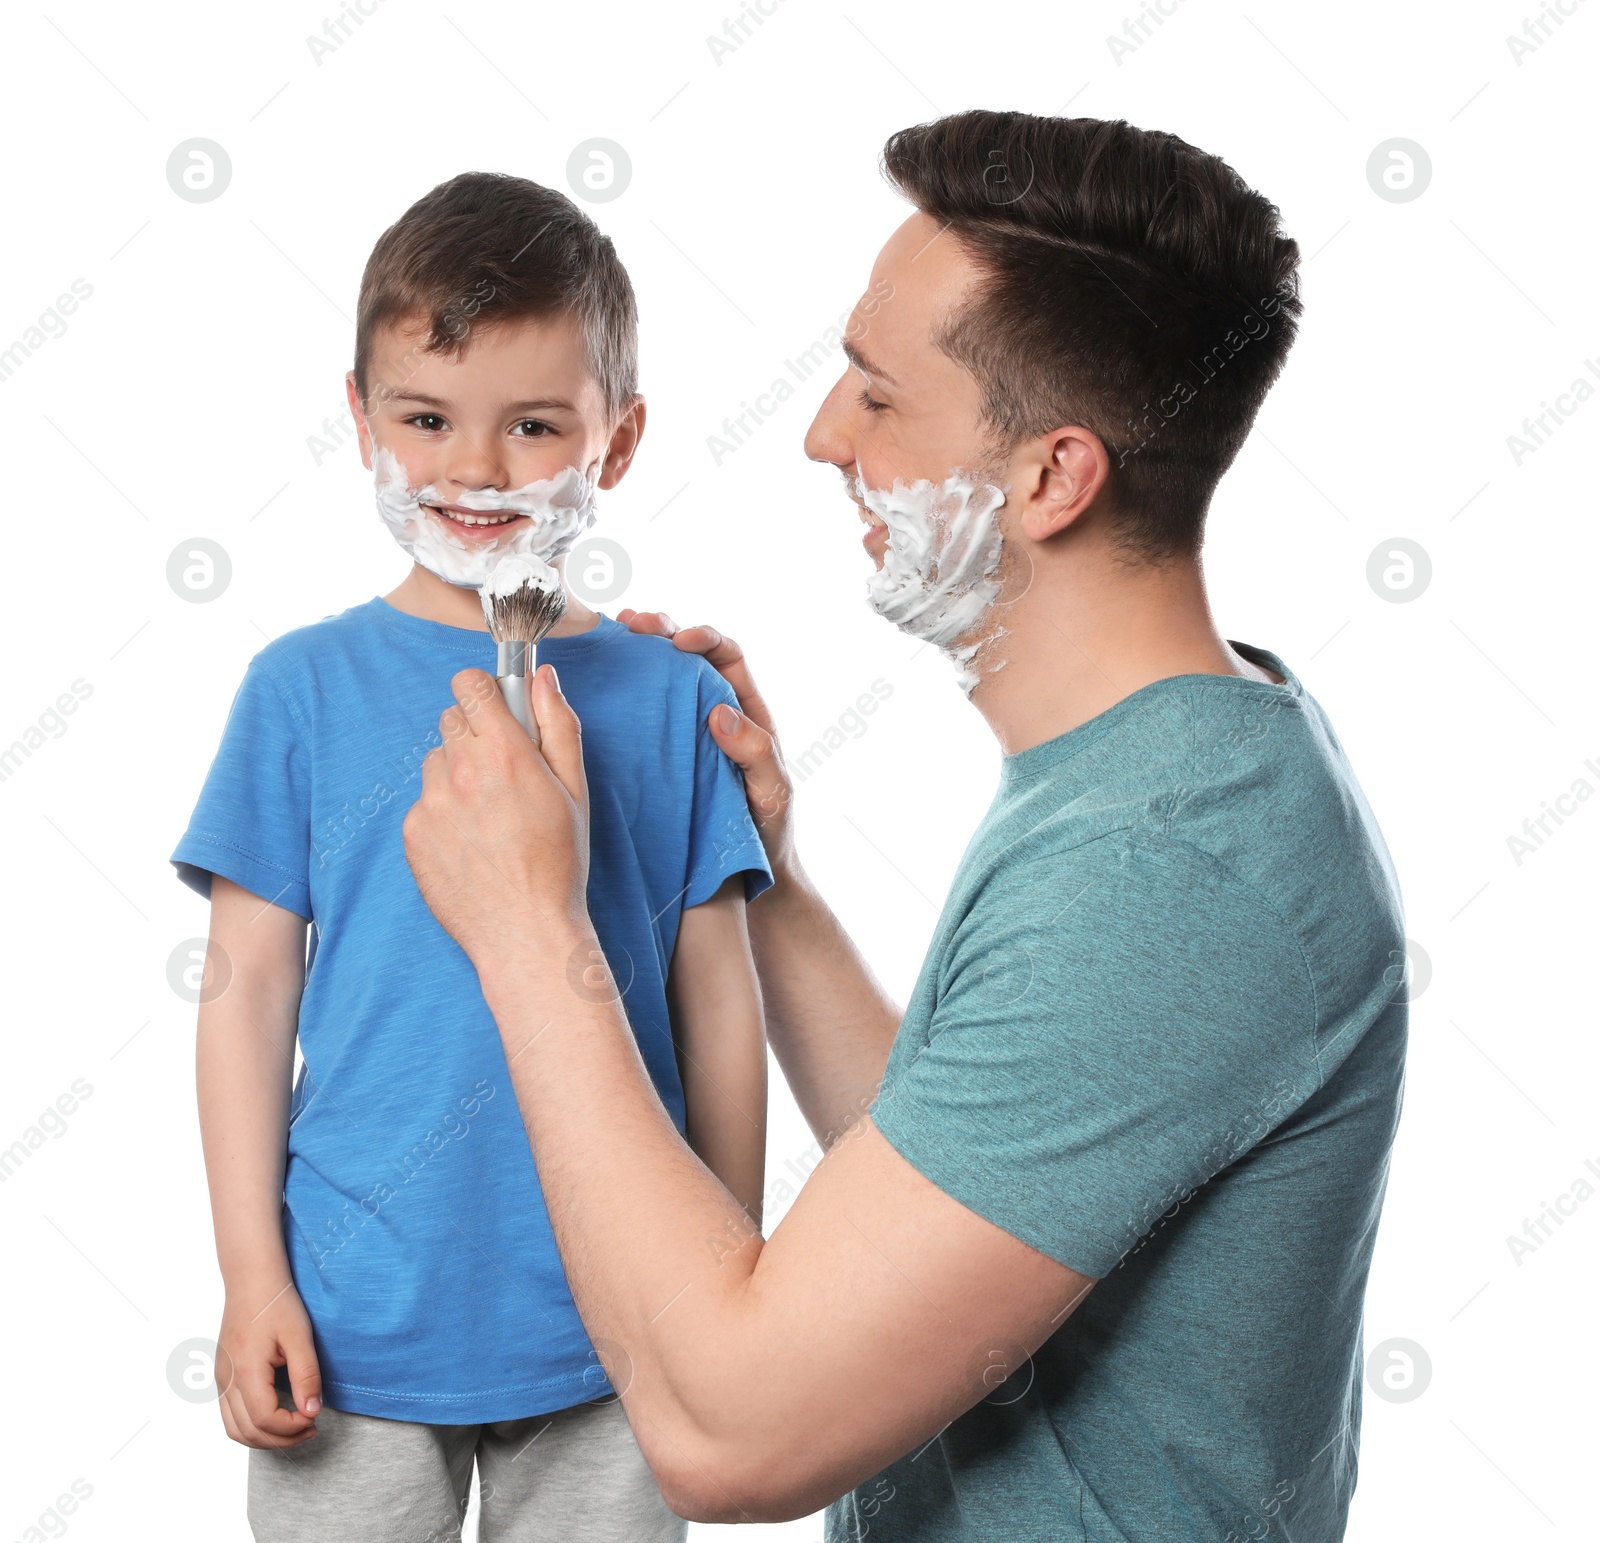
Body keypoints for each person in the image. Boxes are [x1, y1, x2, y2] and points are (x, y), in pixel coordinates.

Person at [400, 111, 1409, 1541]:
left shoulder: (1168, 868)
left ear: (1053, 478)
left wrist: (524, 927)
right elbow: (981, 1190)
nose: (821, 437)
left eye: (877, 396)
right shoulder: (1163, 764)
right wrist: (772, 890)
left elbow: (727, 1434)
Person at [170, 172, 771, 1541]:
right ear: (361, 418)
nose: (476, 470)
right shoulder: (300, 691)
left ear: (616, 442)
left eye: (535, 425)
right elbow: (247, 997)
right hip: (352, 1326)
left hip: (619, 1331)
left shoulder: (673, 701)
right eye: (427, 418)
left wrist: (725, 1292)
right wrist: (249, 1278)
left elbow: (718, 1004)